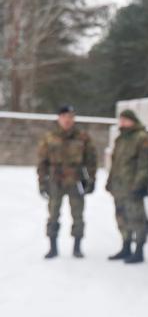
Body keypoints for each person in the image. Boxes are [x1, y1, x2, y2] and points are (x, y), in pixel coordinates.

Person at [37, 104, 98, 259]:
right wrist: (42, 182)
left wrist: (91, 179)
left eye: (70, 117)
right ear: (59, 118)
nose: (67, 120)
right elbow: (42, 161)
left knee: (78, 215)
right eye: (64, 117)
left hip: (76, 180)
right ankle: (53, 247)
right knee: (53, 215)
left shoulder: (82, 137)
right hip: (55, 181)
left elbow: (91, 160)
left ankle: (77, 247)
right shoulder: (49, 137)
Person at [105, 109, 148, 263]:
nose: (122, 123)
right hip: (119, 187)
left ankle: (139, 250)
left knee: (137, 219)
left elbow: (144, 166)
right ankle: (126, 246)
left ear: (133, 120)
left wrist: (139, 185)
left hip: (133, 187)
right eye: (121, 120)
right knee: (121, 218)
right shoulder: (120, 139)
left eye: (125, 120)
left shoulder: (142, 138)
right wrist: (110, 181)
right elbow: (116, 163)